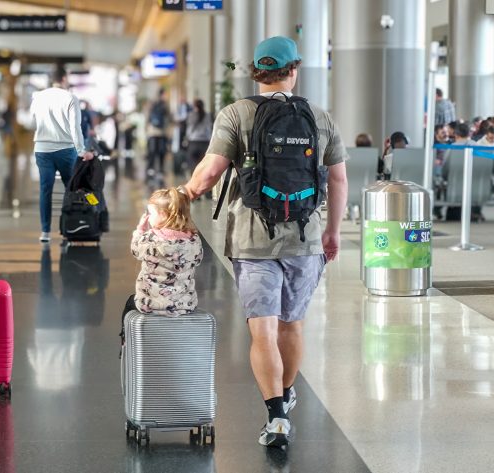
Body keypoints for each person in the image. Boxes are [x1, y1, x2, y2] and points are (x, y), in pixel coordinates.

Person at [181, 36, 348, 449]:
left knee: (264, 332)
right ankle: (286, 395)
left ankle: (275, 415)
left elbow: (209, 174)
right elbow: (340, 179)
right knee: (292, 326)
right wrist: (332, 233)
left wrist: (179, 196)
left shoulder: (237, 114)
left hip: (253, 241)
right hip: (306, 237)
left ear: (256, 71)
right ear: (294, 69)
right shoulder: (320, 117)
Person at [29, 66, 94, 243]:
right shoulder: (70, 98)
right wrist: (81, 151)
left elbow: (31, 120)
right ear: (64, 79)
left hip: (42, 149)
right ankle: (70, 228)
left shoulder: (38, 97)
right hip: (65, 150)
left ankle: (45, 232)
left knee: (45, 190)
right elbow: (75, 128)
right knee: (71, 189)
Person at [122, 187, 204, 318]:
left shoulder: (150, 239)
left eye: (151, 214)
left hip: (150, 304)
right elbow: (198, 259)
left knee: (129, 303)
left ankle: (125, 338)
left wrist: (140, 230)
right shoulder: (194, 240)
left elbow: (135, 250)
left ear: (164, 215)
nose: (148, 218)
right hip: (184, 305)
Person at [185, 99, 213, 175]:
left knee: (192, 165)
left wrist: (187, 139)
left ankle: (193, 181)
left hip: (193, 143)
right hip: (205, 143)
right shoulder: (208, 115)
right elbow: (209, 129)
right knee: (204, 165)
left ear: (194, 106)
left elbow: (189, 130)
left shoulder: (191, 115)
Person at [146, 88, 170, 177]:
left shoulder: (153, 104)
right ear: (162, 94)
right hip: (160, 132)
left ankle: (151, 168)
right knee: (161, 151)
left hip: (152, 131)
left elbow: (148, 117)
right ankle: (159, 169)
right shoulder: (164, 105)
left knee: (153, 151)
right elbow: (168, 118)